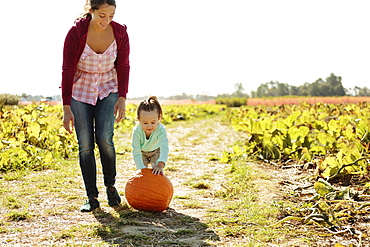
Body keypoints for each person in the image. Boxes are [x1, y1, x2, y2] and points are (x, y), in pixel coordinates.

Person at [61, 0, 130, 212]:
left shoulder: (120, 33)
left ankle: (111, 187)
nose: (106, 21)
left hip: (108, 89)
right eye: (102, 15)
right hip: (80, 91)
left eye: (111, 16)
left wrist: (122, 98)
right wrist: (66, 107)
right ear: (90, 11)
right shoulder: (76, 33)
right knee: (85, 144)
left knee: (104, 139)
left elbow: (124, 65)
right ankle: (91, 196)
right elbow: (67, 69)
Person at [132, 96, 169, 176]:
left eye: (153, 122)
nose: (149, 126)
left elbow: (164, 147)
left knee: (156, 171)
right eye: (145, 123)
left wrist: (160, 165)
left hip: (155, 151)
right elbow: (136, 151)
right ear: (139, 120)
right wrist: (141, 169)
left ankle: (158, 186)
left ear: (159, 118)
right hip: (142, 153)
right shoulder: (137, 131)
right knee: (143, 173)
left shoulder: (161, 129)